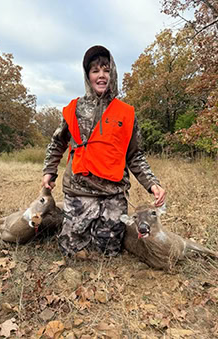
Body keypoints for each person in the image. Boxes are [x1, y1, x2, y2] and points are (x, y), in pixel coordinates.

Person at [42, 45, 165, 257]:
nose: (101, 76)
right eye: (95, 70)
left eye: (106, 70)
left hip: (113, 193)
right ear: (87, 75)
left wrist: (152, 184)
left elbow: (135, 155)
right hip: (79, 190)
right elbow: (57, 143)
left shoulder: (126, 113)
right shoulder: (74, 108)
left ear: (113, 73)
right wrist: (49, 171)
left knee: (108, 252)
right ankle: (66, 221)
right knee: (70, 249)